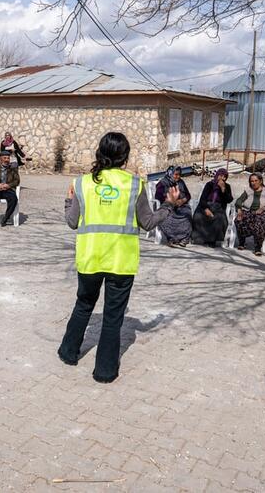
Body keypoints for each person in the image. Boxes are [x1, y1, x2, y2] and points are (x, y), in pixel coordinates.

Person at [58, 132, 179, 383]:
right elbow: (147, 222)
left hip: (90, 257)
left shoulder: (82, 183)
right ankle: (104, 371)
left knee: (84, 305)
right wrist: (169, 206)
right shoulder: (135, 184)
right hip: (121, 261)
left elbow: (72, 222)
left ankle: (69, 353)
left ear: (99, 152)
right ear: (125, 156)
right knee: (113, 316)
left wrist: (68, 202)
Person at [234, 172, 265, 256]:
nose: (253, 183)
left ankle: (258, 247)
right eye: (251, 181)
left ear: (260, 181)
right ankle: (242, 242)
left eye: (255, 181)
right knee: (238, 220)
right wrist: (239, 210)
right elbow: (239, 201)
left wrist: (263, 208)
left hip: (261, 213)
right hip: (248, 211)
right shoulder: (248, 191)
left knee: (258, 222)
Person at [192, 168, 233, 247]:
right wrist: (206, 209)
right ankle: (200, 238)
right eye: (221, 176)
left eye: (225, 177)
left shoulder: (227, 186)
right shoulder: (209, 185)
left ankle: (212, 240)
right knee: (198, 217)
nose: (222, 178)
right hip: (206, 205)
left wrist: (223, 189)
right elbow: (203, 198)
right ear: (217, 175)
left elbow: (229, 200)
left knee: (219, 219)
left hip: (219, 207)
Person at [154, 166, 192, 247]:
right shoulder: (162, 183)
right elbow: (158, 197)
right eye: (176, 174)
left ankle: (184, 238)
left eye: (179, 174)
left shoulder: (181, 182)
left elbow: (188, 195)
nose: (178, 176)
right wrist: (171, 201)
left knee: (187, 213)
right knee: (166, 217)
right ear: (170, 174)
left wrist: (182, 200)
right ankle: (172, 238)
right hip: (167, 206)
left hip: (180, 205)